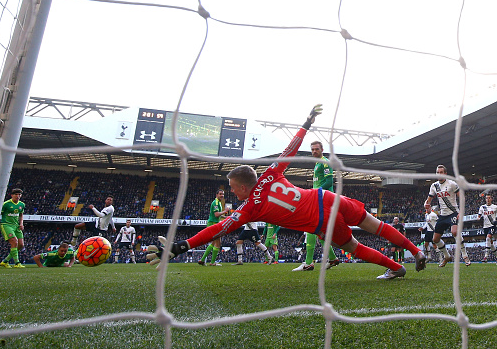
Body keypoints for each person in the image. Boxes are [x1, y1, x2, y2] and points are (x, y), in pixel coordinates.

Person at [148, 105, 426, 280]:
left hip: (322, 222)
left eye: (233, 188)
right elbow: (290, 150)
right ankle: (416, 250)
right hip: (326, 198)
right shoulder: (271, 172)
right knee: (375, 225)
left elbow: (217, 229)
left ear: (244, 187)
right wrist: (306, 124)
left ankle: (396, 267)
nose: (232, 193)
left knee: (354, 246)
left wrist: (180, 247)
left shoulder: (248, 209)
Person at [293, 140, 340, 271]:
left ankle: (308, 263)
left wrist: (315, 193)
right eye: (312, 149)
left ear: (322, 149)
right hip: (318, 199)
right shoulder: (318, 163)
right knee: (318, 231)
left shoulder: (325, 162)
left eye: (316, 149)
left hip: (322, 199)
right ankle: (332, 258)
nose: (314, 151)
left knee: (311, 227)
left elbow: (329, 181)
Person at [424, 165, 471, 267]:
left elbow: (461, 197)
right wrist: (426, 204)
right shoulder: (434, 186)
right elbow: (428, 200)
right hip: (443, 215)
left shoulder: (452, 184)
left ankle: (465, 255)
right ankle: (447, 256)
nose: (439, 174)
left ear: (445, 173)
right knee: (435, 239)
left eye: (441, 172)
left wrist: (461, 212)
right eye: (437, 172)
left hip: (453, 213)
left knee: (454, 232)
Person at [198, 189, 229, 266]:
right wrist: (225, 211)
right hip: (213, 224)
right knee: (218, 243)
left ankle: (202, 260)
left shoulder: (218, 202)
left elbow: (217, 214)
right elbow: (216, 214)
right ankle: (212, 262)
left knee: (213, 242)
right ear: (217, 195)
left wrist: (224, 217)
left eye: (223, 194)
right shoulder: (215, 202)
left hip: (213, 223)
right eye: (220, 194)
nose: (222, 195)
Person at [0, 188, 26, 268]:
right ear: (12, 195)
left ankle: (5, 261)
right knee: (14, 242)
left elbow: (21, 215)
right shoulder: (6, 204)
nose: (18, 196)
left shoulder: (22, 204)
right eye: (16, 194)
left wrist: (21, 224)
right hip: (6, 225)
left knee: (21, 245)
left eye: (19, 194)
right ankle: (17, 263)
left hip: (16, 226)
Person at [477, 194, 497, 264]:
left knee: (488, 238)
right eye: (486, 198)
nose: (487, 199)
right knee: (490, 243)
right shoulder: (482, 207)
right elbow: (478, 217)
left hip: (492, 226)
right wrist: (479, 218)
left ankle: (485, 257)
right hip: (485, 227)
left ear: (491, 199)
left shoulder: (495, 207)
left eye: (489, 198)